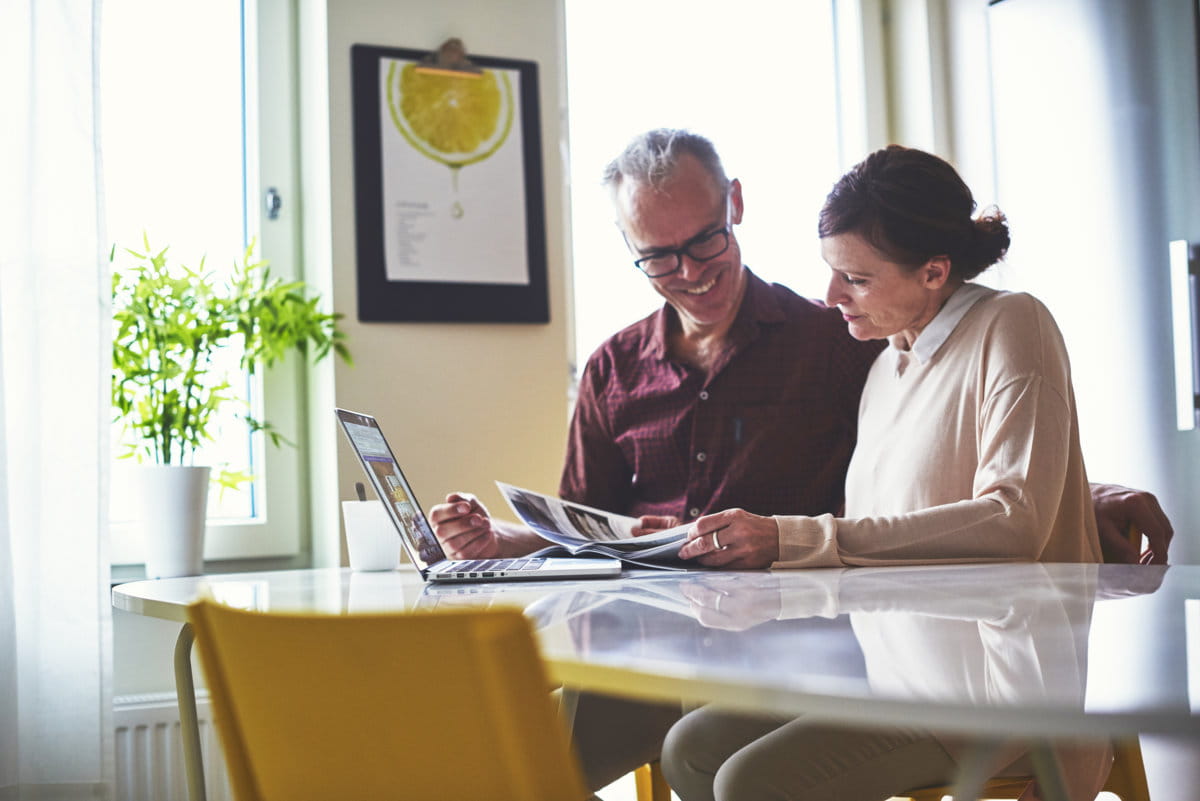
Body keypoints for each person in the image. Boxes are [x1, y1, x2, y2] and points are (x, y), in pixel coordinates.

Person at [427, 130, 1171, 794]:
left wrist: (1081, 493)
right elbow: (948, 472)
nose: (687, 269)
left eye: (704, 240)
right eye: (657, 254)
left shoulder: (888, 338)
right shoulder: (878, 362)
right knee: (642, 745)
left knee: (721, 769)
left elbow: (1000, 496)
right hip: (740, 650)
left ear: (736, 208)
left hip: (910, 670)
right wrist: (506, 538)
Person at [662, 144, 1114, 801]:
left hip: (992, 692)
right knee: (692, 746)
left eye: (858, 278)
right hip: (893, 670)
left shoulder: (1012, 324)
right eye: (831, 272)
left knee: (748, 781)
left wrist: (794, 538)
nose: (831, 295)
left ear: (935, 271)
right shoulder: (885, 367)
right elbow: (895, 534)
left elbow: (1014, 522)